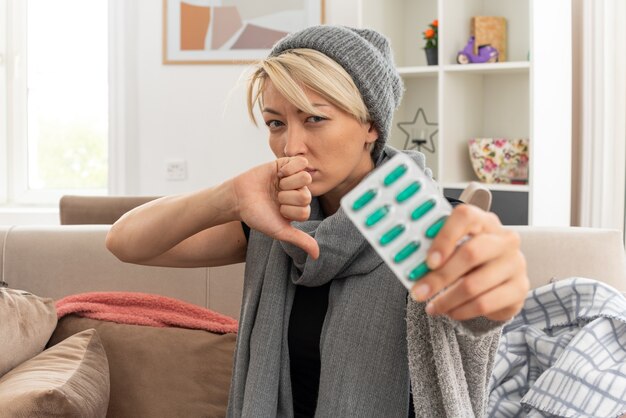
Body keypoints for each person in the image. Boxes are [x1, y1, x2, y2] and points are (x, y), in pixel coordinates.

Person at [106, 25, 529, 417]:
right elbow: (125, 242)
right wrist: (229, 196)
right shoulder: (274, 221)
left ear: (370, 125)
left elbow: (481, 310)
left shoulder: (419, 220)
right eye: (275, 123)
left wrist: (498, 285)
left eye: (314, 118)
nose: (291, 146)